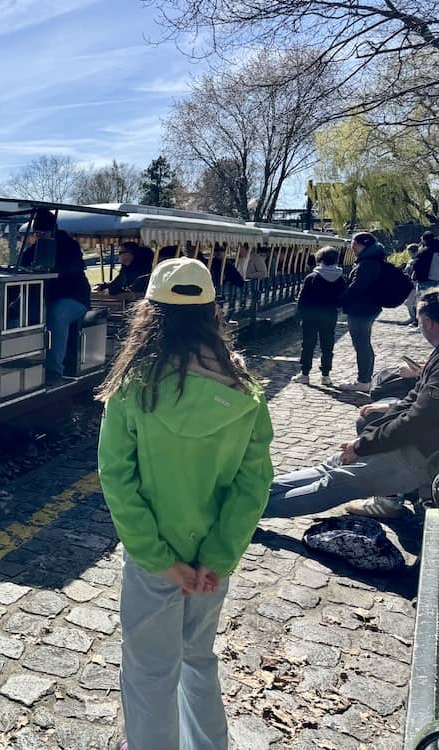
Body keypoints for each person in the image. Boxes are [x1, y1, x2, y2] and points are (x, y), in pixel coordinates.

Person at [98, 258, 273, 750]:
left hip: (156, 556)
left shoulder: (132, 389)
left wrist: (159, 559)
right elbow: (252, 485)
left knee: (149, 671)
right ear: (212, 311)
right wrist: (217, 558)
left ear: (149, 314)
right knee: (198, 659)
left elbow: (117, 477)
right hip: (212, 561)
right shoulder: (246, 394)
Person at [265, 290, 439, 520]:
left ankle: (241, 512)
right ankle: (244, 496)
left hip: (423, 453)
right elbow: (410, 402)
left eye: (418, 321)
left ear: (427, 322)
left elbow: (416, 420)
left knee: (335, 482)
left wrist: (362, 447)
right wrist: (364, 441)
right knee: (332, 466)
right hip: (416, 442)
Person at [20, 208, 91, 384]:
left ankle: (54, 370)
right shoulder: (32, 250)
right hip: (46, 298)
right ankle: (27, 362)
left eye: (43, 231)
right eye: (37, 232)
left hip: (75, 297)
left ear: (52, 230)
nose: (40, 235)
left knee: (57, 315)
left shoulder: (69, 245)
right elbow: (22, 268)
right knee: (23, 314)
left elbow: (75, 267)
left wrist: (52, 268)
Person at [291, 247, 347, 386]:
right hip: (329, 315)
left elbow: (302, 299)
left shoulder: (312, 277)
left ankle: (305, 374)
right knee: (327, 345)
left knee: (308, 345)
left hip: (310, 315)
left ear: (320, 259)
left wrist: (299, 315)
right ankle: (325, 375)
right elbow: (343, 299)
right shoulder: (341, 278)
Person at [338, 231, 387, 392]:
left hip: (361, 308)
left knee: (361, 344)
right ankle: (366, 379)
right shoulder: (375, 260)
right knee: (364, 343)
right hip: (370, 307)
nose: (353, 250)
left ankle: (363, 380)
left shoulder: (367, 263)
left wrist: (341, 300)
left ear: (361, 245)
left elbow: (357, 287)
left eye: (354, 247)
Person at [404, 243, 420, 327]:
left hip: (415, 283)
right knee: (411, 302)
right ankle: (413, 318)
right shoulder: (411, 260)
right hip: (411, 283)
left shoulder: (418, 259)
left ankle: (414, 319)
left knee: (410, 302)